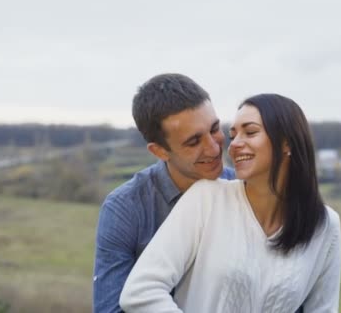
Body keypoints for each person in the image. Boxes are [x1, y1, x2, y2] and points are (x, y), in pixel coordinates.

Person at [119, 94, 341, 312]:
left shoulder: (325, 226)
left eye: (251, 132)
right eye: (233, 135)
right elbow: (141, 291)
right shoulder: (206, 199)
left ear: (286, 142)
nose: (234, 144)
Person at [92, 73, 235, 313]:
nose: (213, 148)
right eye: (193, 142)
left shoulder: (248, 188)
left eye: (214, 129)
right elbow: (110, 309)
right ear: (159, 151)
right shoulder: (125, 208)